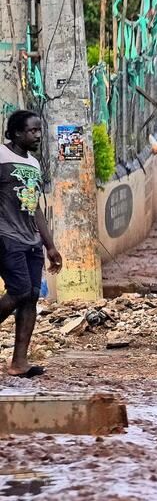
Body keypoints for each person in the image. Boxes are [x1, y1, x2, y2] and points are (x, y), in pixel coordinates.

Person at [0, 111, 63, 378]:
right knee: (19, 290)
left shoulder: (34, 164)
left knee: (32, 295)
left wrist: (50, 246)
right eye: (32, 131)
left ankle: (19, 362)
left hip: (31, 240)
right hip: (6, 236)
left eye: (39, 130)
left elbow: (34, 207)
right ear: (16, 133)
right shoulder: (1, 156)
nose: (38, 135)